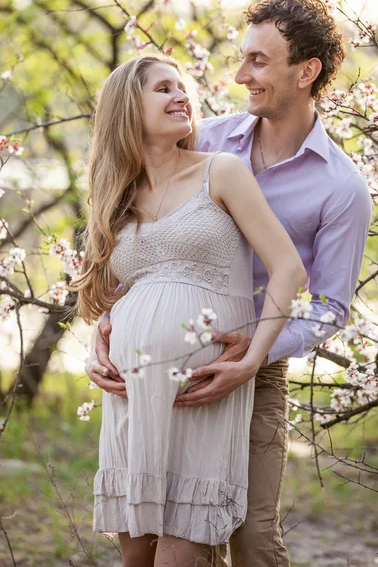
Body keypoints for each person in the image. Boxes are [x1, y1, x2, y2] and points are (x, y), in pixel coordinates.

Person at [86, 0, 372, 567]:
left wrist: (253, 351)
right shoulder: (205, 137)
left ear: (306, 71)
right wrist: (108, 321)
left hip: (255, 370)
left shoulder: (342, 188)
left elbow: (331, 306)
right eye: (242, 59)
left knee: (251, 537)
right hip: (157, 368)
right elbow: (147, 245)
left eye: (259, 63)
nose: (239, 76)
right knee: (166, 530)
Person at [72, 52, 306, 567]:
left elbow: (289, 270)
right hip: (133, 396)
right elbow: (107, 296)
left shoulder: (220, 172)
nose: (181, 95)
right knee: (136, 557)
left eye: (182, 86)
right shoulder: (117, 194)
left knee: (180, 555)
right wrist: (96, 345)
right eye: (161, 88)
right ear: (125, 109)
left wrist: (251, 360)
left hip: (202, 391)